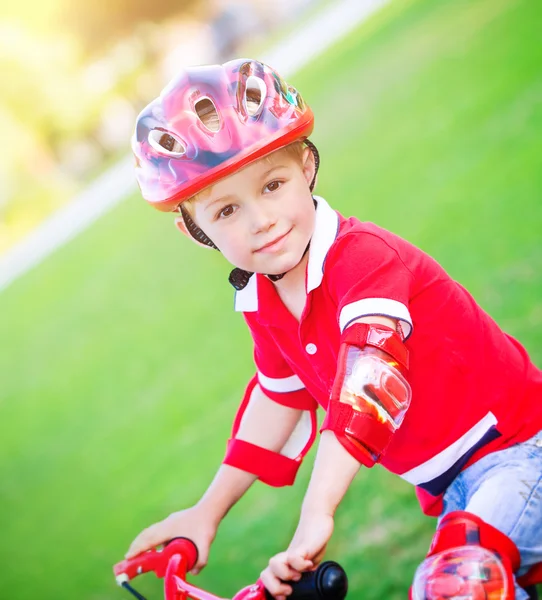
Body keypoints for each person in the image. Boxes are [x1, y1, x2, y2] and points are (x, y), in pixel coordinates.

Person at [124, 58, 542, 599]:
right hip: (454, 488)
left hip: (518, 451)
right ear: (194, 231)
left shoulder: (362, 259)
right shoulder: (263, 295)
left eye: (272, 185)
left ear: (306, 166)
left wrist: (317, 510)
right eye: (226, 212)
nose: (261, 220)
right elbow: (280, 400)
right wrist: (209, 510)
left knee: (455, 586)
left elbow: (372, 385)